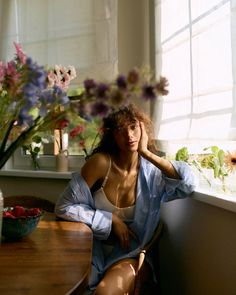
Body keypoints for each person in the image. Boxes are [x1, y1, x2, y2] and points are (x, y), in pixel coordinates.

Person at [55, 103, 197, 295]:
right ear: (113, 135)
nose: (129, 135)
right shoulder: (100, 163)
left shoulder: (152, 171)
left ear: (143, 129)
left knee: (104, 294)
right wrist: (110, 219)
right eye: (121, 130)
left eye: (133, 127)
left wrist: (146, 153)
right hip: (90, 248)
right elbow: (63, 206)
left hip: (130, 253)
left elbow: (188, 184)